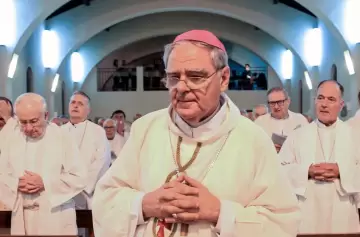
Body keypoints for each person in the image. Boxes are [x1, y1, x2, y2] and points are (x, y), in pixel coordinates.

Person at [92, 29, 300, 237]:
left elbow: (282, 223)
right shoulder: (145, 129)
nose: (181, 87)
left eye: (195, 76)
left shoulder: (253, 140)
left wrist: (220, 213)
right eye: (173, 77)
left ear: (224, 78)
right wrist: (144, 204)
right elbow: (105, 200)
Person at [279, 80, 360, 234]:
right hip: (308, 212)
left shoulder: (354, 135)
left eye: (331, 99)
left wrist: (341, 171)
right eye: (320, 98)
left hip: (343, 211)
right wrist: (306, 171)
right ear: (315, 101)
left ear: (341, 105)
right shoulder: (298, 135)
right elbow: (278, 170)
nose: (324, 104)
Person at [0, 93, 86, 235]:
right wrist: (15, 183)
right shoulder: (11, 139)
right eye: (23, 122)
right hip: (22, 216)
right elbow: (2, 174)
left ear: (46, 115)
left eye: (33, 121)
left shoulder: (62, 137)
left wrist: (45, 183)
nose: (28, 128)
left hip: (56, 217)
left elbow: (79, 177)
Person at [62, 91, 111, 210]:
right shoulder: (58, 131)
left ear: (88, 110)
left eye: (80, 103)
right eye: (73, 102)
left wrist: (83, 185)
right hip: (63, 191)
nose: (75, 105)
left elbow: (102, 161)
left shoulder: (98, 131)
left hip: (87, 191)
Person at [254, 87, 308, 152]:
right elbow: (252, 146)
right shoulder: (260, 122)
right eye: (272, 103)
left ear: (288, 101)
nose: (276, 107)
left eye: (279, 102)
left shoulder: (300, 120)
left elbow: (308, 143)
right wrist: (269, 148)